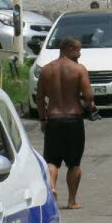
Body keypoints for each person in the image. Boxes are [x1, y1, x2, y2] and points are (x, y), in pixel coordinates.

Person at [36, 37, 94, 210]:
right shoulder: (79, 70)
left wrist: (42, 119)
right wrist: (88, 103)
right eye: (77, 50)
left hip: (53, 119)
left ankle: (52, 187)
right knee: (74, 163)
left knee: (51, 161)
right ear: (67, 49)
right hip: (73, 120)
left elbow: (39, 98)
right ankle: (71, 201)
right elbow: (89, 95)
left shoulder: (46, 70)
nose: (80, 53)